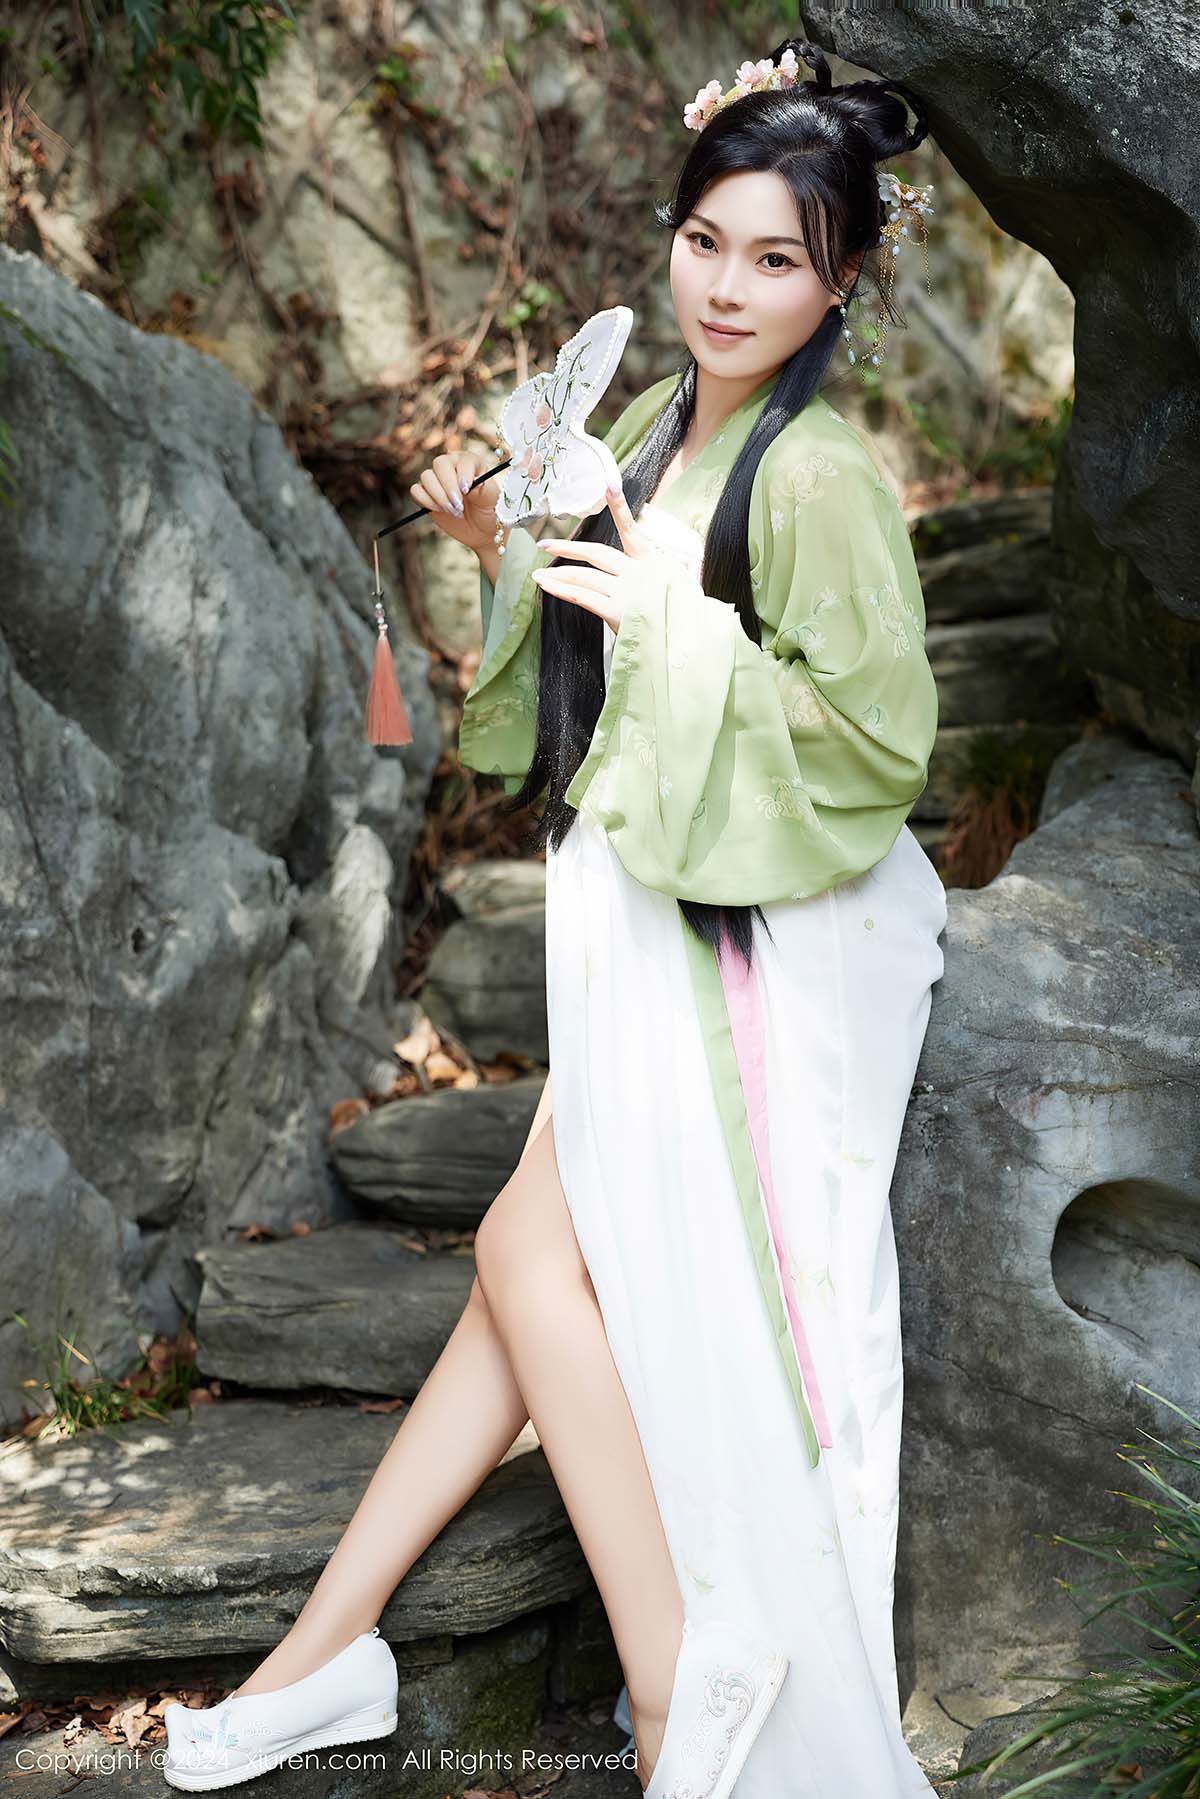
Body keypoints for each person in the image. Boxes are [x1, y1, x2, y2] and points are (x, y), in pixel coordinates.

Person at [163, 37, 946, 1799]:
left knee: (526, 1257)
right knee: (515, 1275)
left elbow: (877, 740)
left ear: (841, 282)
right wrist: (498, 546)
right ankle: (328, 1656)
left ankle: (665, 1680)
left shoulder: (820, 474)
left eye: (778, 258)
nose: (727, 287)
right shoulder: (663, 419)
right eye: (705, 240)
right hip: (643, 903)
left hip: (747, 944)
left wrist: (675, 613)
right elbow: (604, 642)